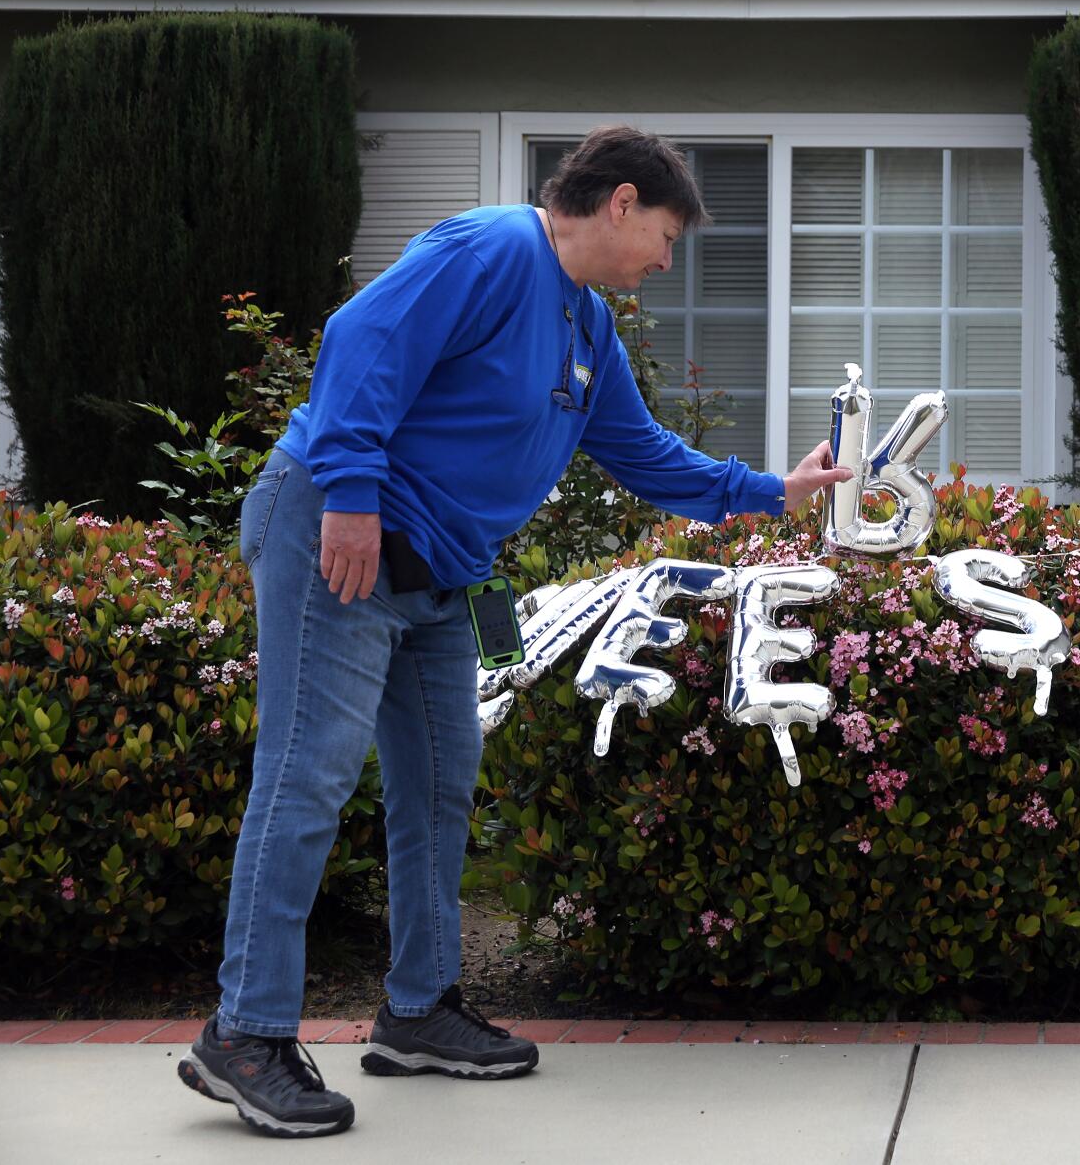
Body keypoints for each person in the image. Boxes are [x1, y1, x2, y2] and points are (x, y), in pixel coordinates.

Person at [177, 126, 852, 1139]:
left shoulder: (587, 328)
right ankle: (245, 1029)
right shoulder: (493, 247)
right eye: (666, 236)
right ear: (619, 202)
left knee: (444, 780)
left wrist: (768, 492)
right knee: (306, 776)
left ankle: (418, 1008)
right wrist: (353, 495)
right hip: (340, 533)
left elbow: (644, 453)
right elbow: (361, 340)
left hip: (444, 576)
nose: (667, 262)